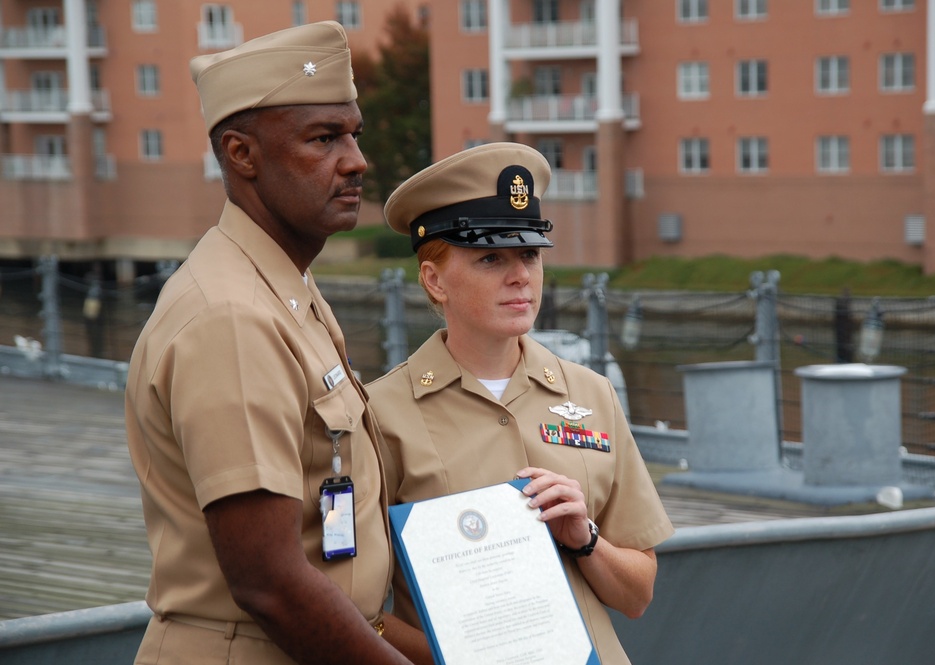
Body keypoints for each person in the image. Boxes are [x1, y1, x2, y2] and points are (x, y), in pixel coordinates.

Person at [125, 21, 429, 665]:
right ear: (242, 154)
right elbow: (269, 585)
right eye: (323, 138)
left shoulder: (283, 287)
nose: (356, 160)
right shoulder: (231, 316)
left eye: (354, 134)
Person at [366, 142, 676, 664]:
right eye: (491, 257)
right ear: (434, 279)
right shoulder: (379, 415)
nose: (520, 277)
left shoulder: (591, 394)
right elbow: (363, 611)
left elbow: (638, 594)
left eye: (529, 255)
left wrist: (585, 539)